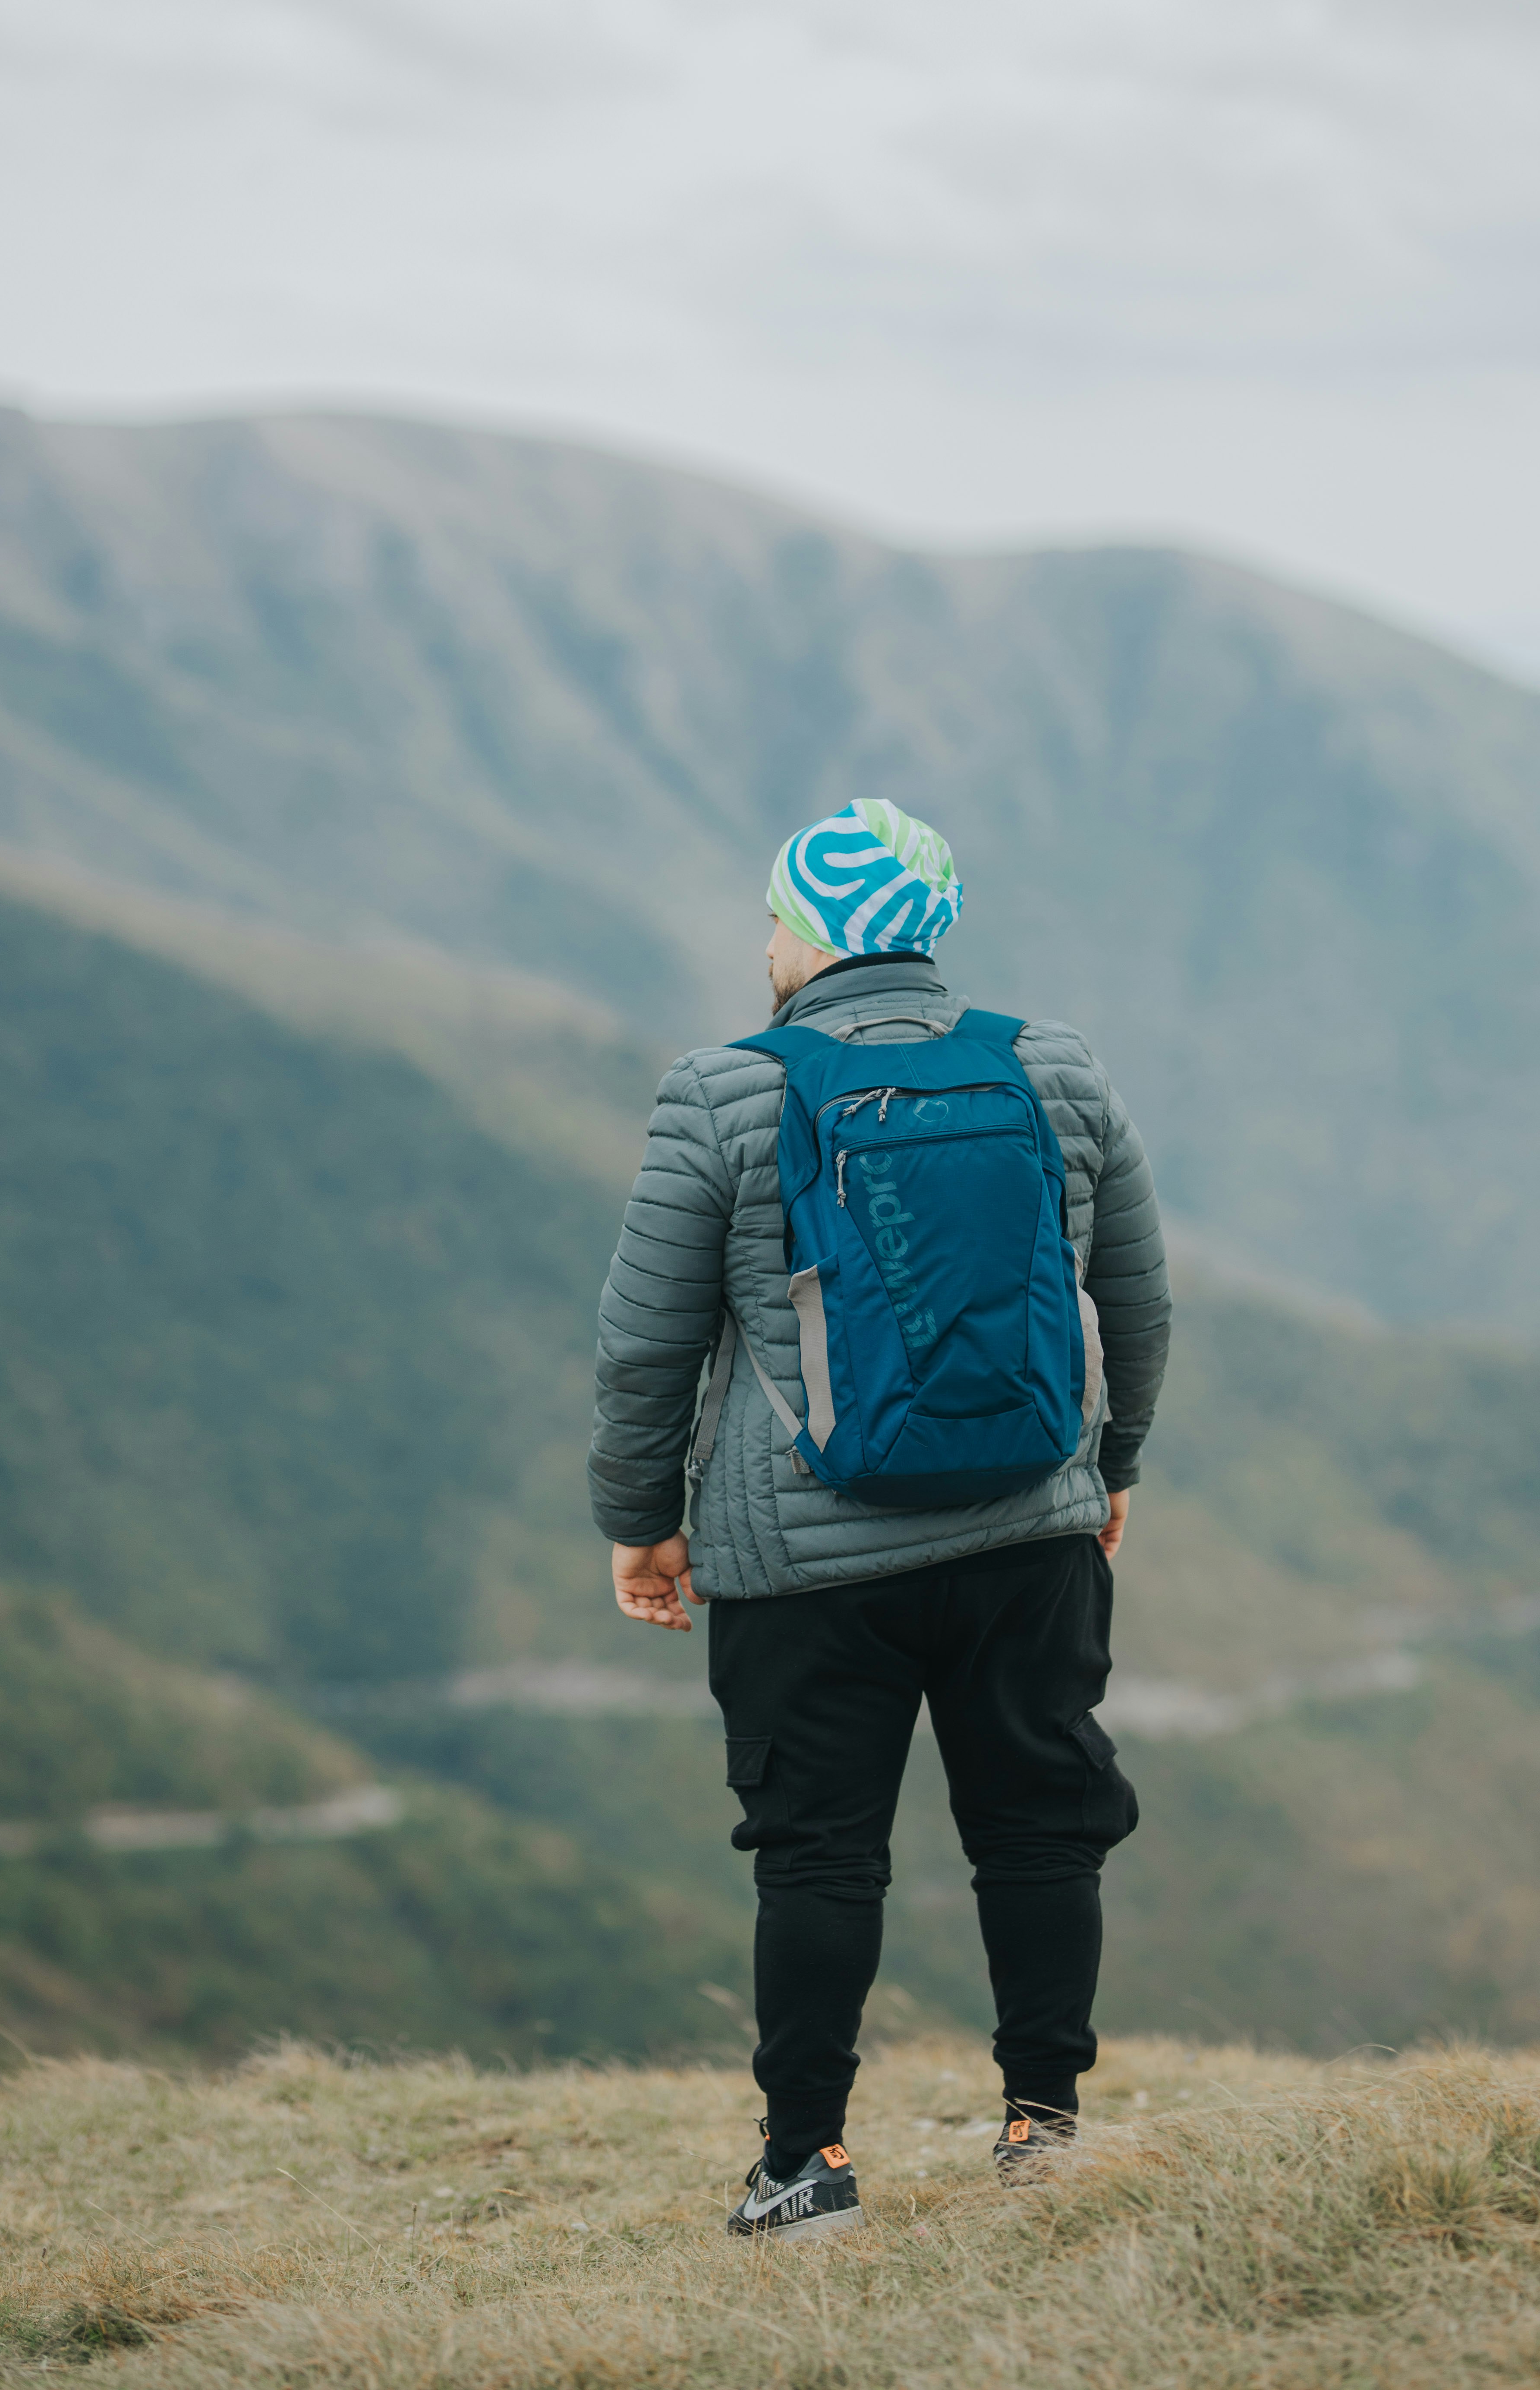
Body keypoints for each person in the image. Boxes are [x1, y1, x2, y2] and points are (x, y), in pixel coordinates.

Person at [589, 798, 1171, 2241]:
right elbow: (1137, 1298)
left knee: (819, 1853)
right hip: (1031, 1526)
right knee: (1040, 1829)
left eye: (775, 918)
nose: (766, 941)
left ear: (810, 935)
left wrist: (639, 1520)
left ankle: (807, 2168)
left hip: (802, 1564)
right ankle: (1046, 2132)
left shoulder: (722, 1091)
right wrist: (1113, 1472)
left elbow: (645, 1347)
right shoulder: (1052, 1065)